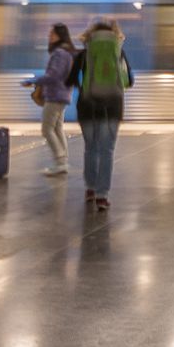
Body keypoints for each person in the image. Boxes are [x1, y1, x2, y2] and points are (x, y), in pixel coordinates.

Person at [74, 16, 132, 212]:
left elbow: (74, 79)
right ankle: (102, 196)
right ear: (115, 33)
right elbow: (128, 81)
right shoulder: (118, 51)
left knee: (91, 148)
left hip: (88, 106)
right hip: (113, 106)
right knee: (107, 151)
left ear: (90, 34)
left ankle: (90, 188)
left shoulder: (84, 54)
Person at [31, 23, 77, 176]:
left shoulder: (59, 53)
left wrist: (36, 80)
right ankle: (62, 162)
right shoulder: (67, 51)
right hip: (63, 95)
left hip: (55, 96)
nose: (49, 36)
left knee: (47, 129)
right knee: (57, 128)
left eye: (52, 34)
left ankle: (60, 160)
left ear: (59, 35)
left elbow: (54, 75)